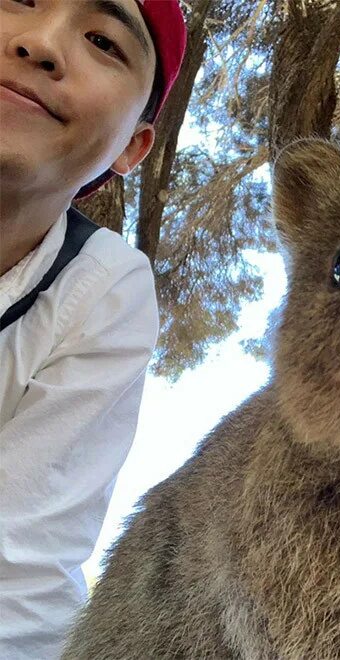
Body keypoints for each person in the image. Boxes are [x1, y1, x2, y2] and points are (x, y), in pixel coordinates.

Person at [0, 1, 186, 657]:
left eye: (104, 43)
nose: (41, 43)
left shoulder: (102, 287)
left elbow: (17, 576)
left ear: (134, 145)